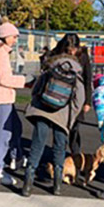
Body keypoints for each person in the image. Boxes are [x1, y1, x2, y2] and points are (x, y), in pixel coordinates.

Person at [22, 34, 85, 197]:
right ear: (75, 50)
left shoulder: (50, 64)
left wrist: (36, 102)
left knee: (38, 144)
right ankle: (57, 185)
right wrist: (72, 114)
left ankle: (27, 184)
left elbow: (37, 88)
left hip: (42, 109)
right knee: (59, 147)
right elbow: (80, 98)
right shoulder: (76, 70)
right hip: (62, 114)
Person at [0, 21, 26, 186]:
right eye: (14, 36)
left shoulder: (1, 52)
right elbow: (3, 79)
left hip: (5, 98)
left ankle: (16, 157)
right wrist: (26, 80)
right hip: (1, 99)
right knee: (3, 135)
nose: (16, 39)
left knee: (16, 127)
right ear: (6, 36)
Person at [68, 45, 93, 156]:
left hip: (79, 97)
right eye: (69, 49)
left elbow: (88, 79)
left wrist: (88, 101)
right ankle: (58, 157)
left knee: (75, 128)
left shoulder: (83, 58)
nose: (71, 51)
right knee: (61, 129)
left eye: (73, 49)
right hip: (65, 97)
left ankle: (75, 154)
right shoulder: (64, 57)